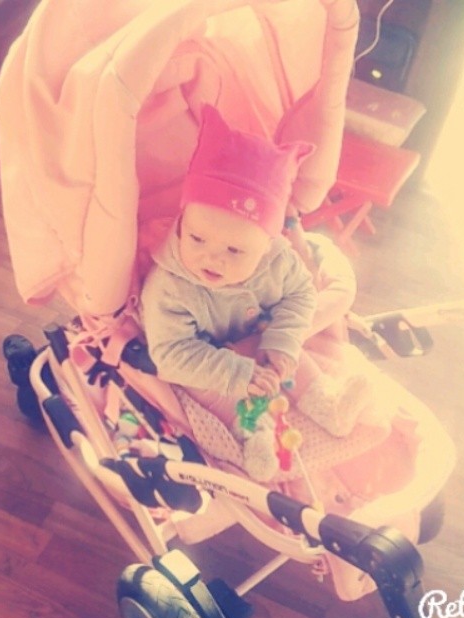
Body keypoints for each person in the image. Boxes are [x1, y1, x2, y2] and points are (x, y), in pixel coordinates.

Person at [140, 105, 371, 467]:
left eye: (234, 250)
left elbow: (301, 294)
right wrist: (239, 373)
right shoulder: (169, 286)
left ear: (267, 244)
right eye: (197, 238)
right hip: (205, 357)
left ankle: (328, 403)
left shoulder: (277, 261)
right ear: (183, 222)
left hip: (256, 335)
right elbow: (171, 356)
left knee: (291, 354)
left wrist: (283, 341)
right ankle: (254, 435)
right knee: (210, 391)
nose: (211, 259)